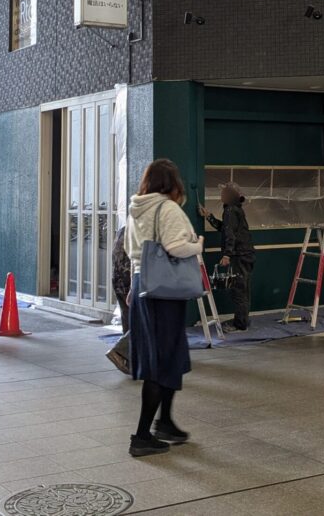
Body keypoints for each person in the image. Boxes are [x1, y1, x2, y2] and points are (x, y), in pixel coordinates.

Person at [126, 159, 202, 457]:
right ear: (173, 182)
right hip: (163, 293)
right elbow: (176, 247)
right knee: (161, 362)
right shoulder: (167, 208)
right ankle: (142, 436)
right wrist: (198, 245)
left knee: (169, 358)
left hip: (142, 286)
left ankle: (165, 423)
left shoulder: (136, 209)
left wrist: (132, 287)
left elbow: (130, 251)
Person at [199, 182, 255, 331]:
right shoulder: (235, 209)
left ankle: (240, 324)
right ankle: (243, 320)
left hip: (239, 255)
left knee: (239, 290)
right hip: (246, 254)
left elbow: (230, 234)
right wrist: (209, 217)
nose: (221, 195)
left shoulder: (230, 210)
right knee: (244, 289)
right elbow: (225, 229)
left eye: (223, 193)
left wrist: (227, 255)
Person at [106, 224, 132, 374]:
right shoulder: (140, 230)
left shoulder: (123, 230)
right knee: (142, 322)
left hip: (118, 281)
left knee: (127, 321)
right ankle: (121, 352)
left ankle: (129, 361)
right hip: (129, 282)